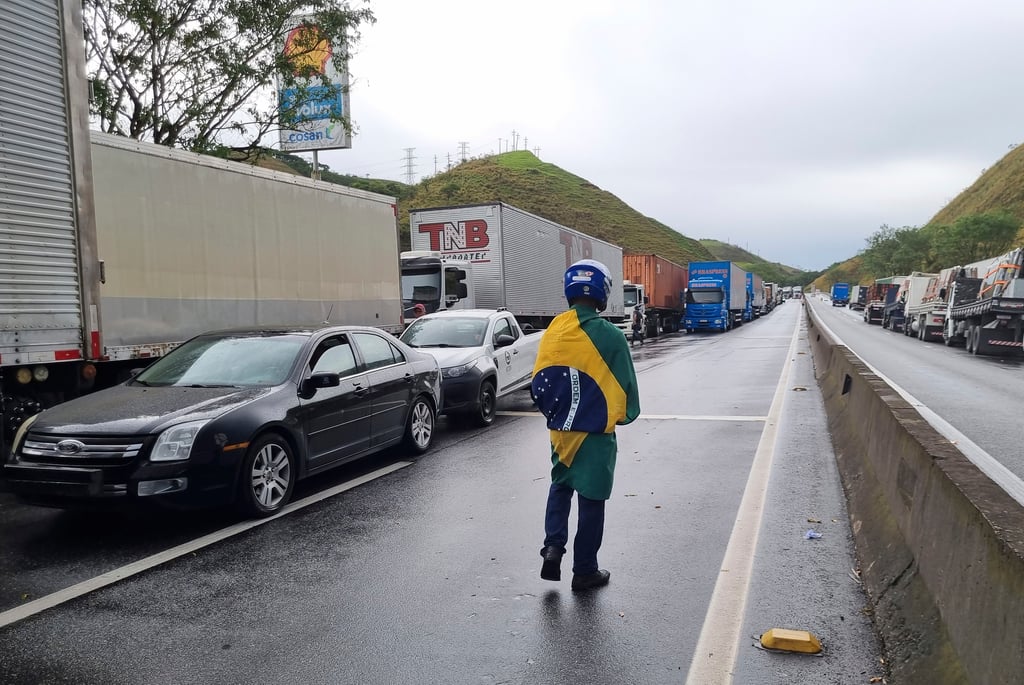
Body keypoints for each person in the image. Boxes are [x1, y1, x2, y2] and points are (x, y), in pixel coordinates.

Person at [532, 259, 641, 591]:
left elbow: (539, 379)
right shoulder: (609, 335)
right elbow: (627, 391)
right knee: (592, 500)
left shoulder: (554, 329)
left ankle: (553, 548)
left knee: (560, 487)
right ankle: (584, 570)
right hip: (595, 435)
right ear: (603, 293)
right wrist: (622, 415)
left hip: (560, 432)